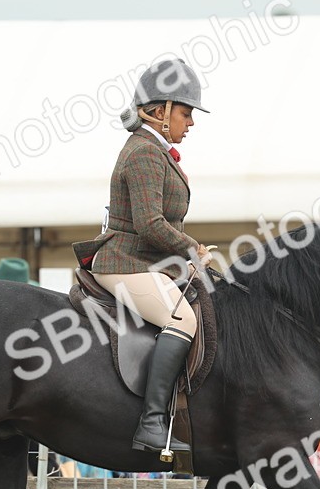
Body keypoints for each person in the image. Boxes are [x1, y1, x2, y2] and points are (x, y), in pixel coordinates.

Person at [72, 59, 214, 456]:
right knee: (181, 318)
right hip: (121, 262)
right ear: (161, 111)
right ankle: (152, 423)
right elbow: (150, 224)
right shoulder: (144, 154)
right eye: (186, 113)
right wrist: (190, 248)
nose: (191, 122)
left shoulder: (156, 151)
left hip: (141, 261)